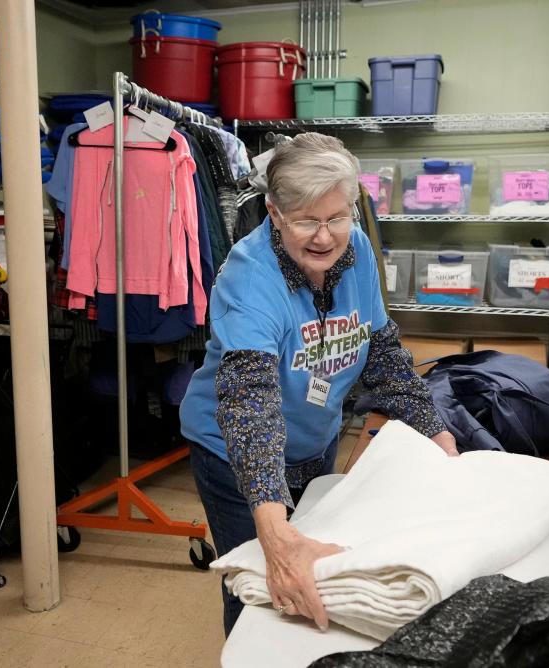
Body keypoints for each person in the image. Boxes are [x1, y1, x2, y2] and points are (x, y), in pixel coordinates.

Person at [179, 133, 457, 637]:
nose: (325, 237)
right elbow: (250, 404)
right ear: (275, 212)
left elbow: (383, 353)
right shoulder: (249, 277)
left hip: (315, 440)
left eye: (337, 218)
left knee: (321, 579)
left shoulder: (359, 253)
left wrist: (439, 438)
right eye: (307, 220)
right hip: (235, 454)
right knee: (261, 589)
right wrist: (274, 532)